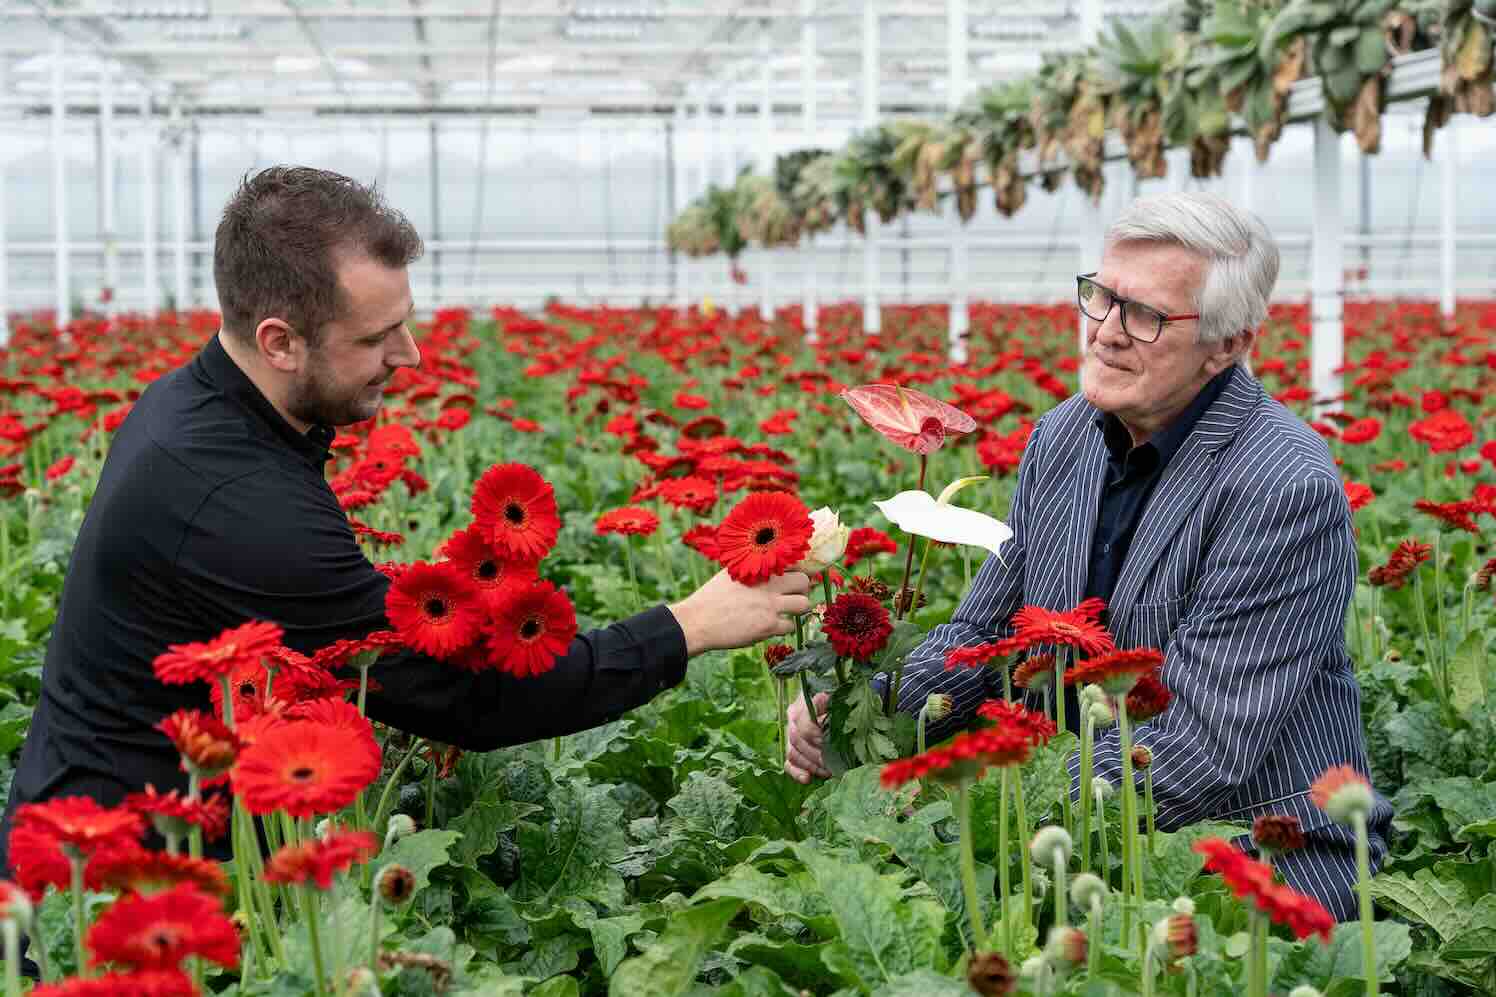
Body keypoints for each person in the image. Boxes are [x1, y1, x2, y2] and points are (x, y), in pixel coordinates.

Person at [0, 166, 812, 884]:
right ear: (280, 342)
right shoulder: (234, 494)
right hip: (112, 897)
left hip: (147, 835)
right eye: (376, 337)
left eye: (405, 321)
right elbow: (469, 699)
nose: (413, 355)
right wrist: (688, 625)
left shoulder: (198, 406)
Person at [785, 191, 1391, 921]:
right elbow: (984, 633)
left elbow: (1202, 747)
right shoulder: (1064, 436)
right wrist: (863, 709)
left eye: (1145, 315)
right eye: (1101, 297)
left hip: (1255, 844)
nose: (1105, 332)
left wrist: (980, 802)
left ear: (1228, 345)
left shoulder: (1281, 485)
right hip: (1077, 822)